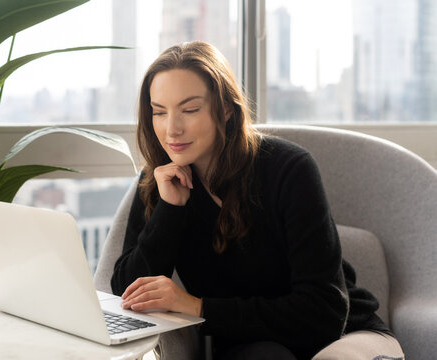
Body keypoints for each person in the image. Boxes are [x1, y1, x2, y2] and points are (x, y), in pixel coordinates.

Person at [110, 41, 404, 360]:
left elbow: (325, 313)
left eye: (190, 109)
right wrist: (170, 209)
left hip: (343, 335)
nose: (172, 129)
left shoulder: (289, 170)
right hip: (252, 345)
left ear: (225, 109)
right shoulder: (162, 180)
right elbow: (127, 291)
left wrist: (197, 307)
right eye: (159, 112)